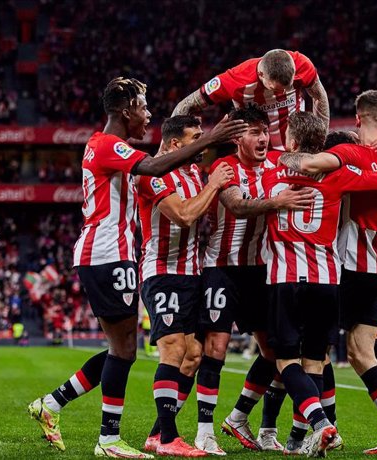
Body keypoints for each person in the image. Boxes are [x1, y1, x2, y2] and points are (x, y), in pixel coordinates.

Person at [27, 77, 248, 458]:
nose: (148, 115)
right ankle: (108, 439)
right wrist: (208, 141)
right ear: (126, 108)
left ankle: (52, 404)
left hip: (114, 254)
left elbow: (158, 162)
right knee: (124, 350)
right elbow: (154, 165)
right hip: (106, 254)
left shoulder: (115, 147)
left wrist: (215, 140)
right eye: (143, 107)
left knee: (123, 349)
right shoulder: (107, 144)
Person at [279, 90, 377, 454]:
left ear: (357, 119)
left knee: (316, 355)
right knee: (363, 352)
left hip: (350, 267)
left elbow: (327, 177)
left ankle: (318, 431)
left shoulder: (354, 156)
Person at [190, 104, 313, 455]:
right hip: (221, 268)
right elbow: (237, 205)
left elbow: (315, 149)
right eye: (253, 132)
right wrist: (278, 202)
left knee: (276, 352)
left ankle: (244, 418)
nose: (262, 138)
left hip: (262, 270)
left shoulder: (279, 161)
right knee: (215, 347)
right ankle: (204, 432)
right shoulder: (224, 166)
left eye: (265, 131)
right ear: (237, 137)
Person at [137, 115, 236, 457]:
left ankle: (156, 434)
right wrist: (215, 184)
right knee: (174, 350)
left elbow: (212, 144)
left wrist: (224, 127)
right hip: (162, 272)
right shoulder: (154, 173)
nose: (202, 143)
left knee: (193, 355)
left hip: (192, 274)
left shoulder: (194, 169)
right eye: (196, 137)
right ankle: (168, 439)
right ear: (176, 143)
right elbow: (183, 215)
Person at [172, 49, 330, 151]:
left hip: (296, 150)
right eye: (276, 89)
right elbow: (185, 105)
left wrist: (321, 142)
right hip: (255, 155)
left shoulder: (302, 64)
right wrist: (169, 151)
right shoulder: (234, 80)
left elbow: (320, 97)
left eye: (288, 87)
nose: (282, 93)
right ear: (261, 75)